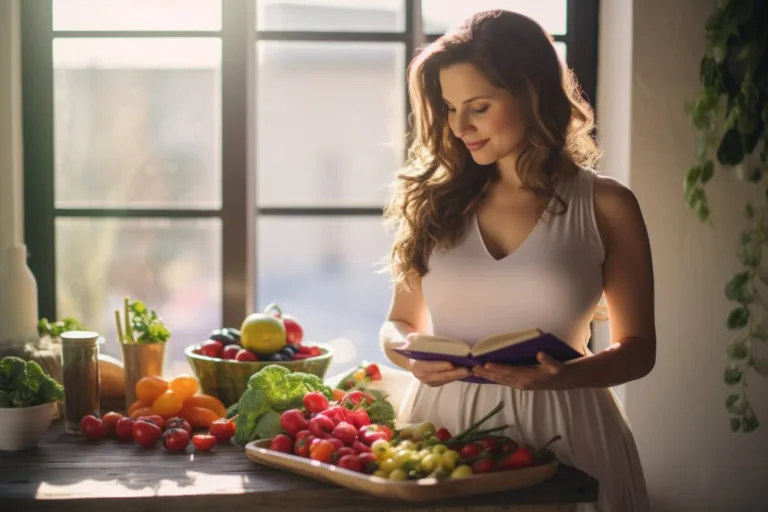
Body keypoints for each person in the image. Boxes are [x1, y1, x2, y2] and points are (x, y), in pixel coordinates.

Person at [379, 9, 653, 512]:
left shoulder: (607, 204)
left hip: (569, 431)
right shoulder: (435, 204)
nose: (460, 126)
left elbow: (639, 350)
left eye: (478, 107)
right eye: (449, 108)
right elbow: (398, 322)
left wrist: (562, 376)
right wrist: (407, 353)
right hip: (441, 433)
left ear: (531, 94)